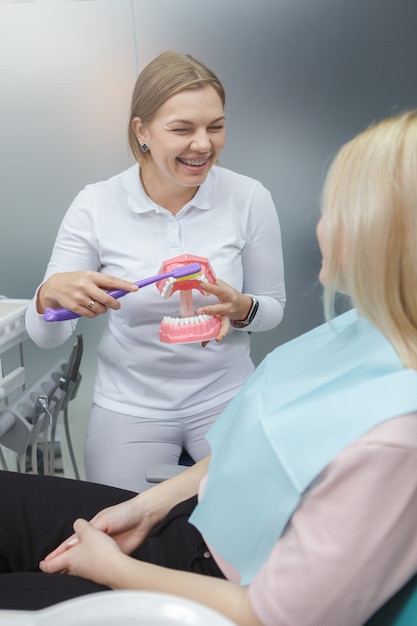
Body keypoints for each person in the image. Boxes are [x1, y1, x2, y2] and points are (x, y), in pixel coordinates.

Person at [8, 109, 417, 625]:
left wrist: (114, 570)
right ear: (142, 131)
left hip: (212, 576)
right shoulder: (363, 332)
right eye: (182, 128)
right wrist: (150, 506)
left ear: (392, 237)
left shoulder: (399, 437)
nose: (319, 226)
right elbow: (266, 447)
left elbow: (273, 613)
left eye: (336, 210)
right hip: (193, 509)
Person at [25, 50, 286, 492]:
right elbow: (45, 335)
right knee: (121, 525)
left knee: (255, 521)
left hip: (227, 396)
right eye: (182, 129)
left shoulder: (249, 198)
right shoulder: (96, 204)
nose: (203, 144)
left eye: (215, 127)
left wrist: (242, 309)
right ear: (141, 130)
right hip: (130, 405)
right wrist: (48, 296)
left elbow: (273, 309)